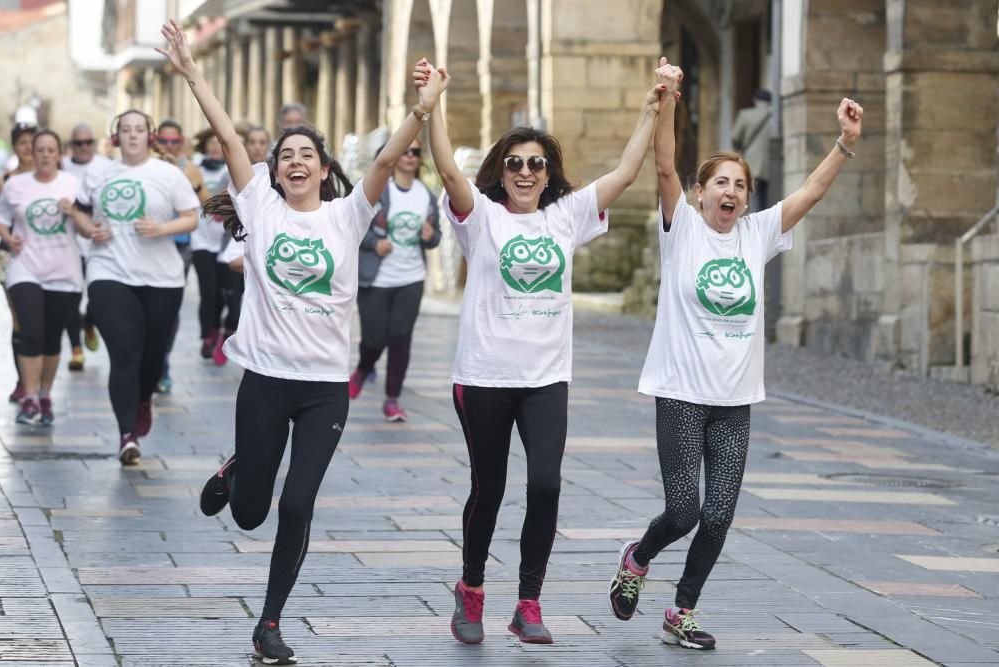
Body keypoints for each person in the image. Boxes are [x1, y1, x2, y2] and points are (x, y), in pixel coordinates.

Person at [157, 20, 440, 664]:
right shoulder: (260, 205)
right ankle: (237, 471)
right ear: (275, 170)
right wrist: (190, 71)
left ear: (322, 166)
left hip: (322, 390)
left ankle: (270, 625)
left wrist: (421, 111)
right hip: (265, 380)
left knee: (299, 501)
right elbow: (229, 135)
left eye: (305, 153)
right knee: (251, 513)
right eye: (285, 155)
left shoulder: (348, 214)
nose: (295, 161)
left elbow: (388, 159)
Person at [607, 59, 863, 650]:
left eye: (739, 185)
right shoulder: (683, 232)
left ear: (747, 199)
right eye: (720, 182)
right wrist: (667, 97)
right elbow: (664, 163)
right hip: (681, 395)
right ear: (701, 194)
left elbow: (810, 192)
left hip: (735, 401)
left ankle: (682, 612)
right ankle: (639, 556)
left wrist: (844, 144)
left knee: (718, 516)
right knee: (684, 510)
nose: (730, 192)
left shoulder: (756, 235)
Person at [415, 57, 664, 645]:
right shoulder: (482, 219)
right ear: (501, 174)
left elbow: (627, 173)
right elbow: (448, 170)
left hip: (546, 378)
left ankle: (528, 601)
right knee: (491, 488)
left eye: (537, 164)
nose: (526, 172)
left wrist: (654, 108)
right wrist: (433, 105)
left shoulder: (566, 217)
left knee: (546, 484)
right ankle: (471, 588)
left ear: (549, 174)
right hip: (483, 376)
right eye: (515, 164)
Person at [63, 109, 199, 464]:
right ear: (116, 136)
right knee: (124, 352)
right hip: (109, 271)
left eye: (140, 130)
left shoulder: (168, 174)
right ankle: (127, 435)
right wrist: (89, 229)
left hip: (161, 277)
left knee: (152, 358)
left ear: (150, 136)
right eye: (126, 130)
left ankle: (142, 399)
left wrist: (162, 229)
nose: (133, 136)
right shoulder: (99, 172)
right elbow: (79, 211)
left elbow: (192, 216)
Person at [351, 138, 440, 421]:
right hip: (376, 279)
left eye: (416, 152)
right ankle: (365, 367)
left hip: (411, 278)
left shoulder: (426, 195)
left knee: (401, 339)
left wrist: (430, 238)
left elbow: (435, 235)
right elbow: (353, 225)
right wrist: (373, 244)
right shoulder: (378, 190)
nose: (411, 156)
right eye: (406, 151)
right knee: (374, 339)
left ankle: (392, 399)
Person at [0, 130, 83, 425]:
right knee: (31, 329)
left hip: (64, 271)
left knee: (51, 338)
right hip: (25, 268)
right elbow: (3, 219)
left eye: (51, 150)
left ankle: (45, 395)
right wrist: (9, 238)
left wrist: (73, 212)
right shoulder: (15, 185)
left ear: (59, 154)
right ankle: (30, 398)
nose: (45, 154)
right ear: (31, 154)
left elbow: (88, 225)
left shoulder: (74, 184)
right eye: (40, 150)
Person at [154, 119, 205, 392]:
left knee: (169, 310)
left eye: (175, 141)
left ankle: (162, 364)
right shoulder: (147, 167)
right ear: (156, 141)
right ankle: (150, 362)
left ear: (182, 141)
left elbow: (207, 206)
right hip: (149, 245)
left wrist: (192, 185)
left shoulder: (190, 169)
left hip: (179, 247)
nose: (170, 146)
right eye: (164, 141)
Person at [61, 124, 110, 372]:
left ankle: (90, 320)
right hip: (69, 243)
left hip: (98, 244)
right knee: (71, 298)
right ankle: (76, 350)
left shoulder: (106, 166)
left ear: (94, 142)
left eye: (88, 142)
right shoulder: (63, 168)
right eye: (78, 143)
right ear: (71, 146)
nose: (83, 147)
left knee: (98, 298)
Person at [188, 128, 235, 364]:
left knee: (226, 295)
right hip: (201, 239)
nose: (216, 147)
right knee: (208, 292)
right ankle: (208, 335)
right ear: (205, 145)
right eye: (211, 143)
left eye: (220, 142)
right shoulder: (196, 168)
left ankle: (224, 330)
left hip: (227, 240)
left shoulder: (234, 169)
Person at [2, 123, 37, 403]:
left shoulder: (51, 178)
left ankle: (35, 380)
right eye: (22, 143)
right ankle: (23, 381)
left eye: (32, 142)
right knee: (20, 318)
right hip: (12, 253)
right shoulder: (6, 180)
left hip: (47, 254)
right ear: (15, 147)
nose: (28, 148)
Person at [731, 89, 771, 212]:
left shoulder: (745, 115)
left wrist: (739, 149)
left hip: (752, 161)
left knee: (754, 195)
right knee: (768, 198)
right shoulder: (775, 116)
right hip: (771, 164)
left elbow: (735, 137)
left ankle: (755, 224)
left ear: (755, 100)